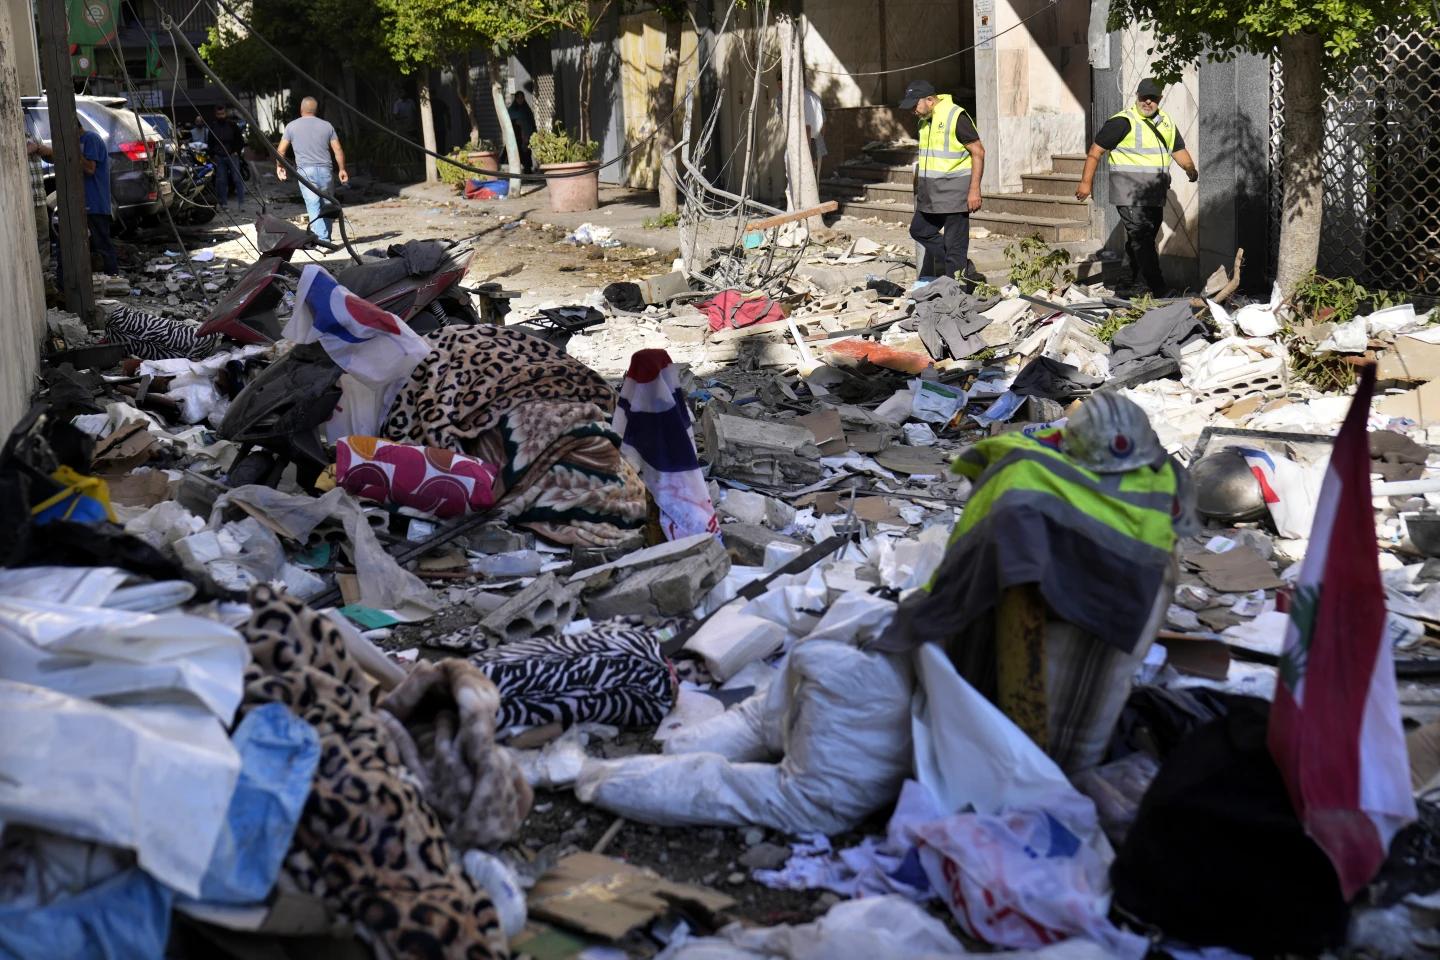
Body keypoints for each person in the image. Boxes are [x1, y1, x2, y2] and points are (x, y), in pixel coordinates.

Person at [880, 392, 1194, 773]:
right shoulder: (1163, 491)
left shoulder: (1026, 475)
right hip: (1063, 721)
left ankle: (1023, 766)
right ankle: (1041, 767)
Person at [1075, 78, 1199, 296]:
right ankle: (1159, 288)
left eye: (1153, 98)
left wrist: (1190, 168)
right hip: (1129, 193)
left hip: (1154, 194)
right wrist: (1086, 183)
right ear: (1137, 96)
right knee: (1142, 238)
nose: (1148, 102)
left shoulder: (1166, 122)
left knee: (1142, 239)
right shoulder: (1122, 122)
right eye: (1144, 97)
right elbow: (1095, 151)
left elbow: (1178, 149)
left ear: (1160, 99)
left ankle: (1125, 284)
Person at [899, 79, 985, 283]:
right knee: (919, 231)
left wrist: (974, 190)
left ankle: (958, 294)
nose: (913, 111)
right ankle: (962, 267)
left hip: (955, 194)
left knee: (954, 248)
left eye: (915, 105)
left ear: (929, 99)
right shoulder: (924, 119)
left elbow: (978, 151)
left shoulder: (956, 115)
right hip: (931, 195)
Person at [275, 97, 349, 241]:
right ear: (316, 110)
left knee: (313, 205)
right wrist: (342, 169)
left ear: (301, 109)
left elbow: (281, 151)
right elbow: (338, 149)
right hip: (325, 171)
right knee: (327, 203)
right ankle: (325, 237)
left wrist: (279, 166)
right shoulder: (327, 126)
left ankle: (322, 239)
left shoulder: (291, 126)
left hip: (305, 173)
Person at [79, 119, 118, 276]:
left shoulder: (90, 139)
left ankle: (112, 276)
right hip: (86, 201)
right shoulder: (83, 140)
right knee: (93, 245)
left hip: (95, 201)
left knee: (102, 242)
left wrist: (75, 152)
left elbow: (90, 169)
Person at [205, 104, 246, 210]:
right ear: (216, 114)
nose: (221, 116)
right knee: (221, 181)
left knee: (237, 179)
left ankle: (241, 203)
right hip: (219, 157)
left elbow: (240, 141)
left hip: (232, 156)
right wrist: (213, 155)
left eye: (222, 113)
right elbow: (210, 142)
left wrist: (236, 151)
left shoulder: (232, 125)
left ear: (226, 113)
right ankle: (224, 204)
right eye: (219, 114)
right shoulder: (213, 127)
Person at [25, 133, 51, 275]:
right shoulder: (8, 132)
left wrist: (42, 149)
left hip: (39, 198)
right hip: (22, 201)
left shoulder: (31, 133)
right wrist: (25, 150)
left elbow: (51, 157)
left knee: (43, 238)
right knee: (24, 240)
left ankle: (42, 277)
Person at [507, 92, 537, 172]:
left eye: (522, 98)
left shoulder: (526, 109)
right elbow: (509, 124)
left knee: (527, 154)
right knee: (520, 155)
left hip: (527, 135)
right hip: (517, 137)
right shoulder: (512, 110)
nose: (520, 100)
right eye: (518, 98)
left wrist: (533, 133)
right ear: (515, 99)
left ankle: (528, 172)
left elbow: (531, 122)